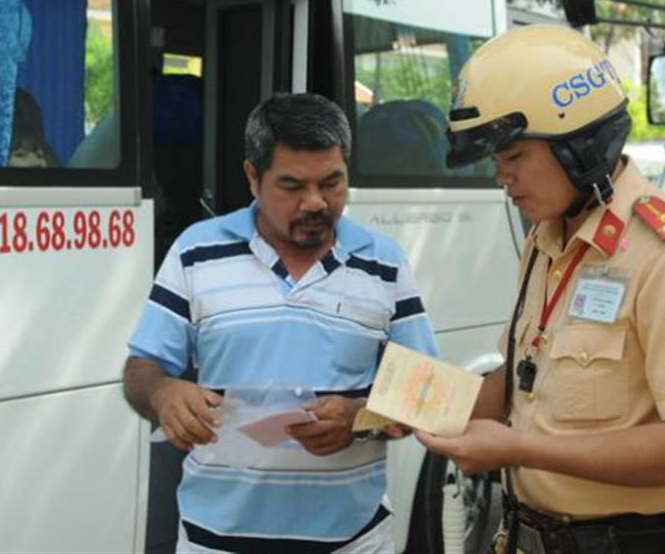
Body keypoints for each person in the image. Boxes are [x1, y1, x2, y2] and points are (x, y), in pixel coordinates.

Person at [417, 25, 665, 554]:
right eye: (496, 161)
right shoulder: (548, 236)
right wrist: (394, 408)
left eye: (515, 156)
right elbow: (522, 375)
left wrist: (518, 448)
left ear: (579, 144)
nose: (501, 178)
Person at [123, 92, 438, 553]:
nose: (316, 202)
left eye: (332, 183)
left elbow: (426, 391)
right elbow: (142, 369)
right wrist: (163, 392)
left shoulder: (383, 263)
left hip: (353, 541)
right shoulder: (196, 251)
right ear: (253, 177)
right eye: (292, 186)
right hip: (215, 541)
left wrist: (360, 419)